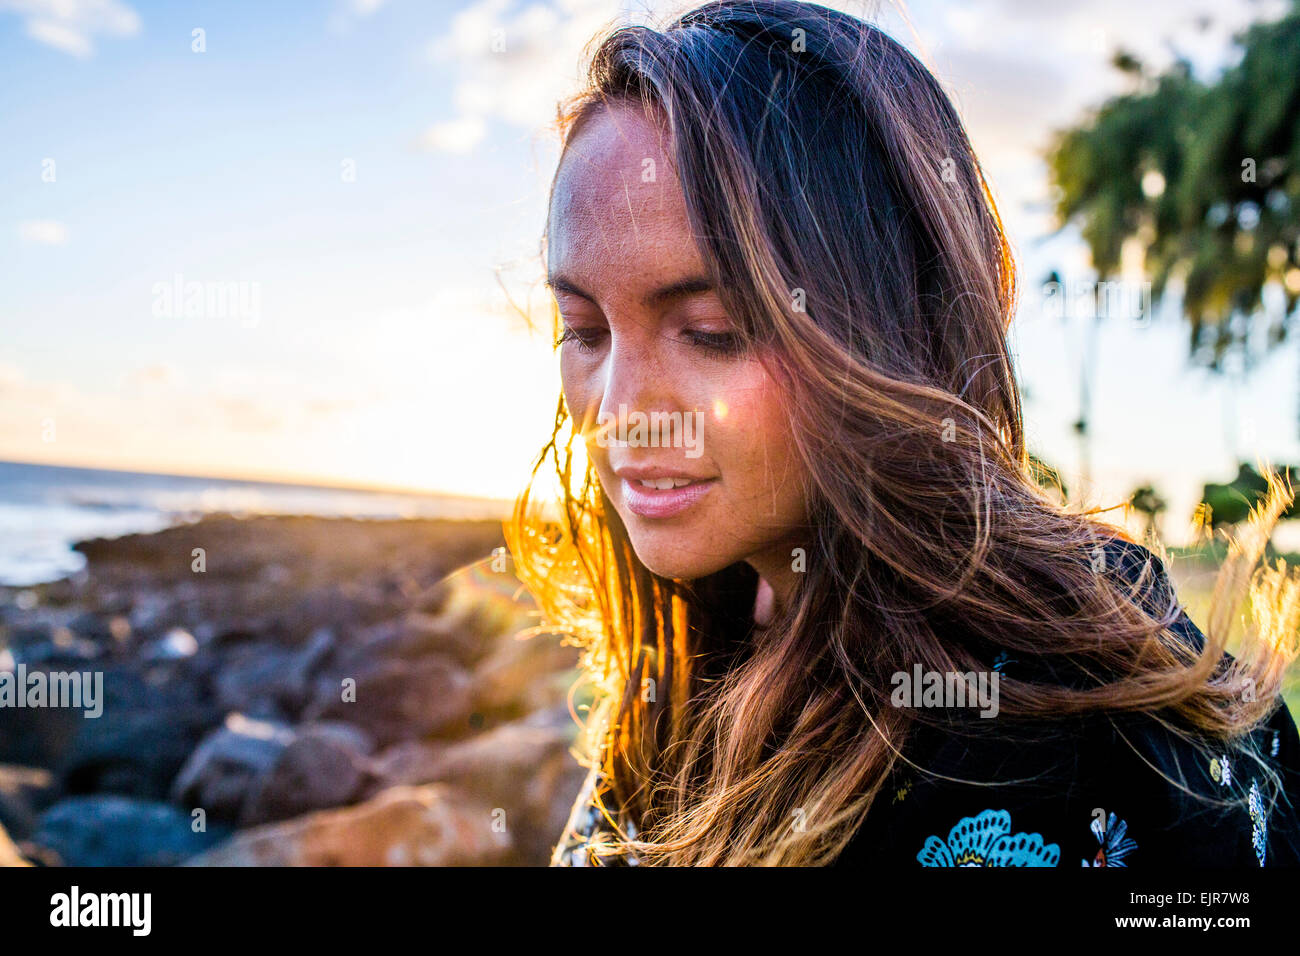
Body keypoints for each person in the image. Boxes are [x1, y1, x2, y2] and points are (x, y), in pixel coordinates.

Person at [504, 0, 1300, 866]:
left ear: (891, 323)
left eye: (713, 330)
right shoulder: (707, 623)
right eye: (584, 331)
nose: (620, 408)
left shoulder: (1058, 735)